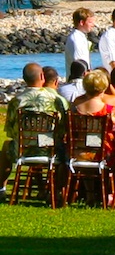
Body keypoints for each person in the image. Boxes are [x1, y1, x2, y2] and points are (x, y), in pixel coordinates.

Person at [0, 63, 69, 199]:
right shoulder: (57, 100)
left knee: (6, 146)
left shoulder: (16, 101)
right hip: (51, 149)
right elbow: (63, 128)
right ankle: (56, 190)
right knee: (66, 148)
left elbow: (11, 131)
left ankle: (1, 187)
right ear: (42, 76)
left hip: (23, 149)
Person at [64, 7, 95, 74]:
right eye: (90, 22)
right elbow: (79, 64)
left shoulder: (80, 37)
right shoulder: (76, 39)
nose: (93, 25)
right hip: (79, 80)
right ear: (81, 22)